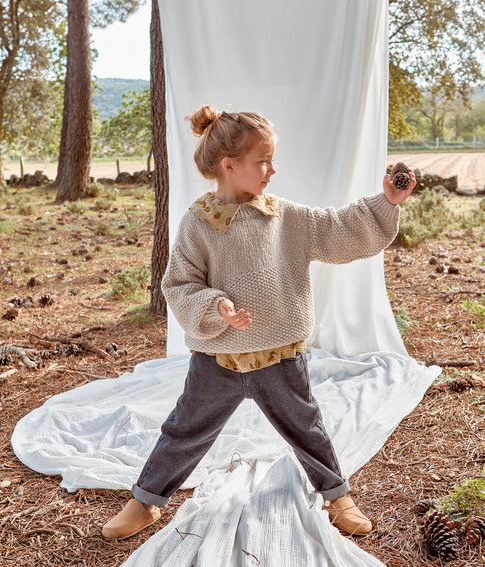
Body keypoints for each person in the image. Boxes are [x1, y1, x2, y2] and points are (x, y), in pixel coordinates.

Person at [102, 105, 416, 541]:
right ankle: (146, 500)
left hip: (280, 356)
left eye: (272, 159)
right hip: (219, 360)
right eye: (262, 161)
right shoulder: (198, 224)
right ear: (229, 166)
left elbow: (338, 228)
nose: (272, 170)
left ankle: (336, 494)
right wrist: (217, 308)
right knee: (184, 430)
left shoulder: (284, 216)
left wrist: (385, 204)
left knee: (307, 430)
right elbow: (178, 284)